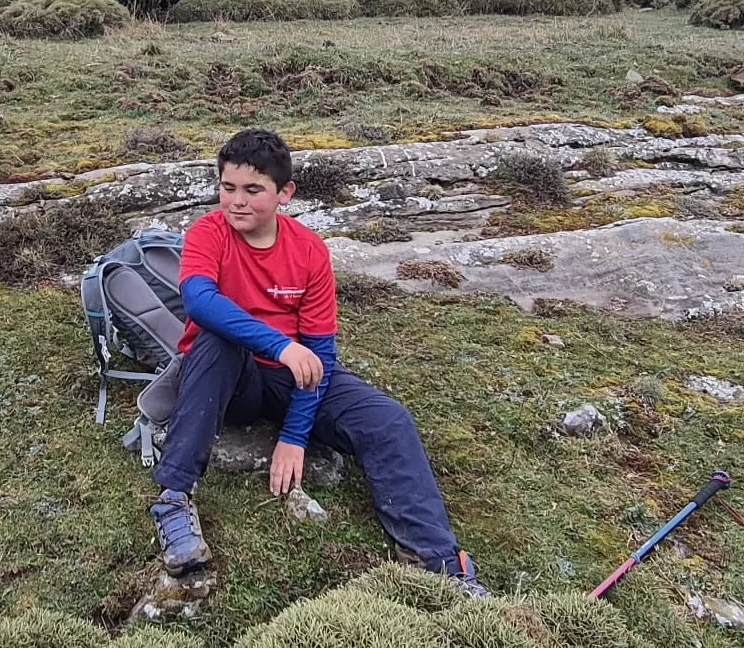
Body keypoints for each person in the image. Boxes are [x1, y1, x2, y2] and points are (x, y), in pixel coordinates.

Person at [147, 128, 489, 596]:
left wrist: (294, 436)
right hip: (235, 381)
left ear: (285, 193)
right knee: (217, 338)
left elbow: (321, 353)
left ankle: (439, 564)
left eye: (253, 190)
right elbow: (199, 299)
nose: (237, 202)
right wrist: (279, 345)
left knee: (388, 420)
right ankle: (173, 499)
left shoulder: (309, 250)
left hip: (297, 379)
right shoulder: (209, 232)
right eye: (228, 188)